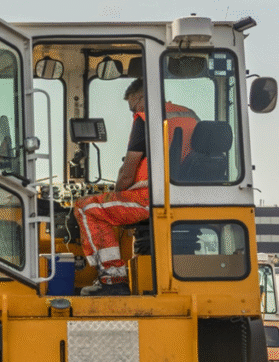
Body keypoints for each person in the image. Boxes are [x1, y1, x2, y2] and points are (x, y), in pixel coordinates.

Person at [72, 78, 195, 296]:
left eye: (133, 107)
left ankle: (113, 279)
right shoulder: (188, 115)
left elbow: (129, 170)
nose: (133, 114)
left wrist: (116, 193)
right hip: (185, 195)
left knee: (86, 208)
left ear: (142, 99)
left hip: (151, 197)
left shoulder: (146, 118)